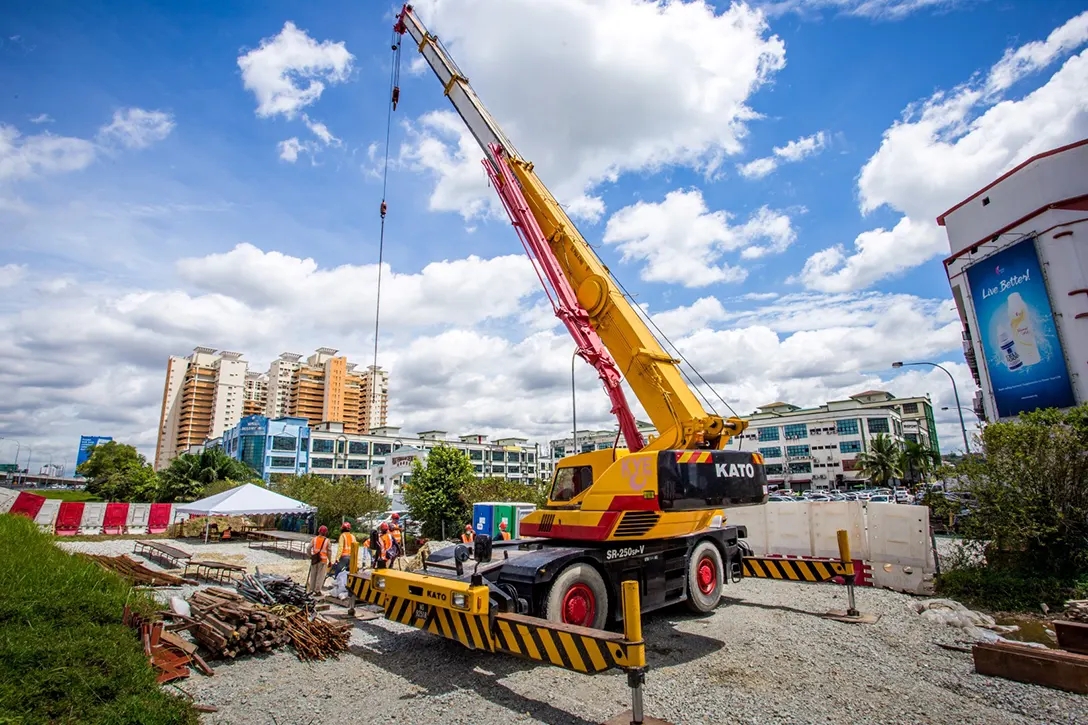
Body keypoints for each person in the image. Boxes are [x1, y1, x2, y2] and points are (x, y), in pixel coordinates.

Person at [306, 525, 332, 594]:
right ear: (326, 532)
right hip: (322, 561)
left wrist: (310, 556)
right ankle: (317, 591)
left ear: (319, 531)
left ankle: (311, 590)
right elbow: (329, 552)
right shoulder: (327, 541)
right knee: (320, 576)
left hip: (314, 559)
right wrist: (330, 560)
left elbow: (308, 548)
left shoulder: (314, 539)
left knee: (313, 574)